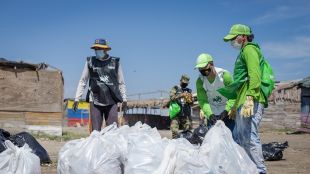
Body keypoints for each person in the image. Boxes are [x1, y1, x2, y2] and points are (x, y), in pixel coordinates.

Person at [220, 24, 267, 174]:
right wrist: (235, 106)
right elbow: (242, 83)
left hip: (250, 99)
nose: (232, 41)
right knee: (240, 138)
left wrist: (250, 97)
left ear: (244, 36)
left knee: (250, 137)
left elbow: (254, 74)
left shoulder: (250, 49)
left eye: (234, 38)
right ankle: (248, 170)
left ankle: (260, 171)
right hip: (243, 99)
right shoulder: (243, 52)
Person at [73, 38, 127, 132]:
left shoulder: (115, 63)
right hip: (95, 100)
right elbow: (83, 81)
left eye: (99, 48)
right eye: (95, 49)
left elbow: (121, 82)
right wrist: (77, 98)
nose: (97, 51)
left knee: (113, 131)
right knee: (95, 132)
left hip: (112, 100)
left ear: (105, 50)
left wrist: (125, 98)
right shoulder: (90, 62)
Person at [195, 53, 235, 132]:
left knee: (231, 139)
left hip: (227, 112)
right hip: (212, 112)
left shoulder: (224, 76)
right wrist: (209, 115)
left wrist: (227, 110)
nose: (203, 70)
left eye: (205, 67)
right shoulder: (200, 81)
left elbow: (233, 96)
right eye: (200, 69)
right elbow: (203, 100)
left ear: (211, 64)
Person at [170, 74, 193, 139]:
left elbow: (191, 103)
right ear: (180, 81)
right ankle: (174, 145)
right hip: (176, 113)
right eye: (183, 83)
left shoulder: (189, 90)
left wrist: (190, 100)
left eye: (186, 83)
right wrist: (181, 95)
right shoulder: (175, 88)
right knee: (175, 131)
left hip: (186, 114)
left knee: (187, 132)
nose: (185, 84)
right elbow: (171, 98)